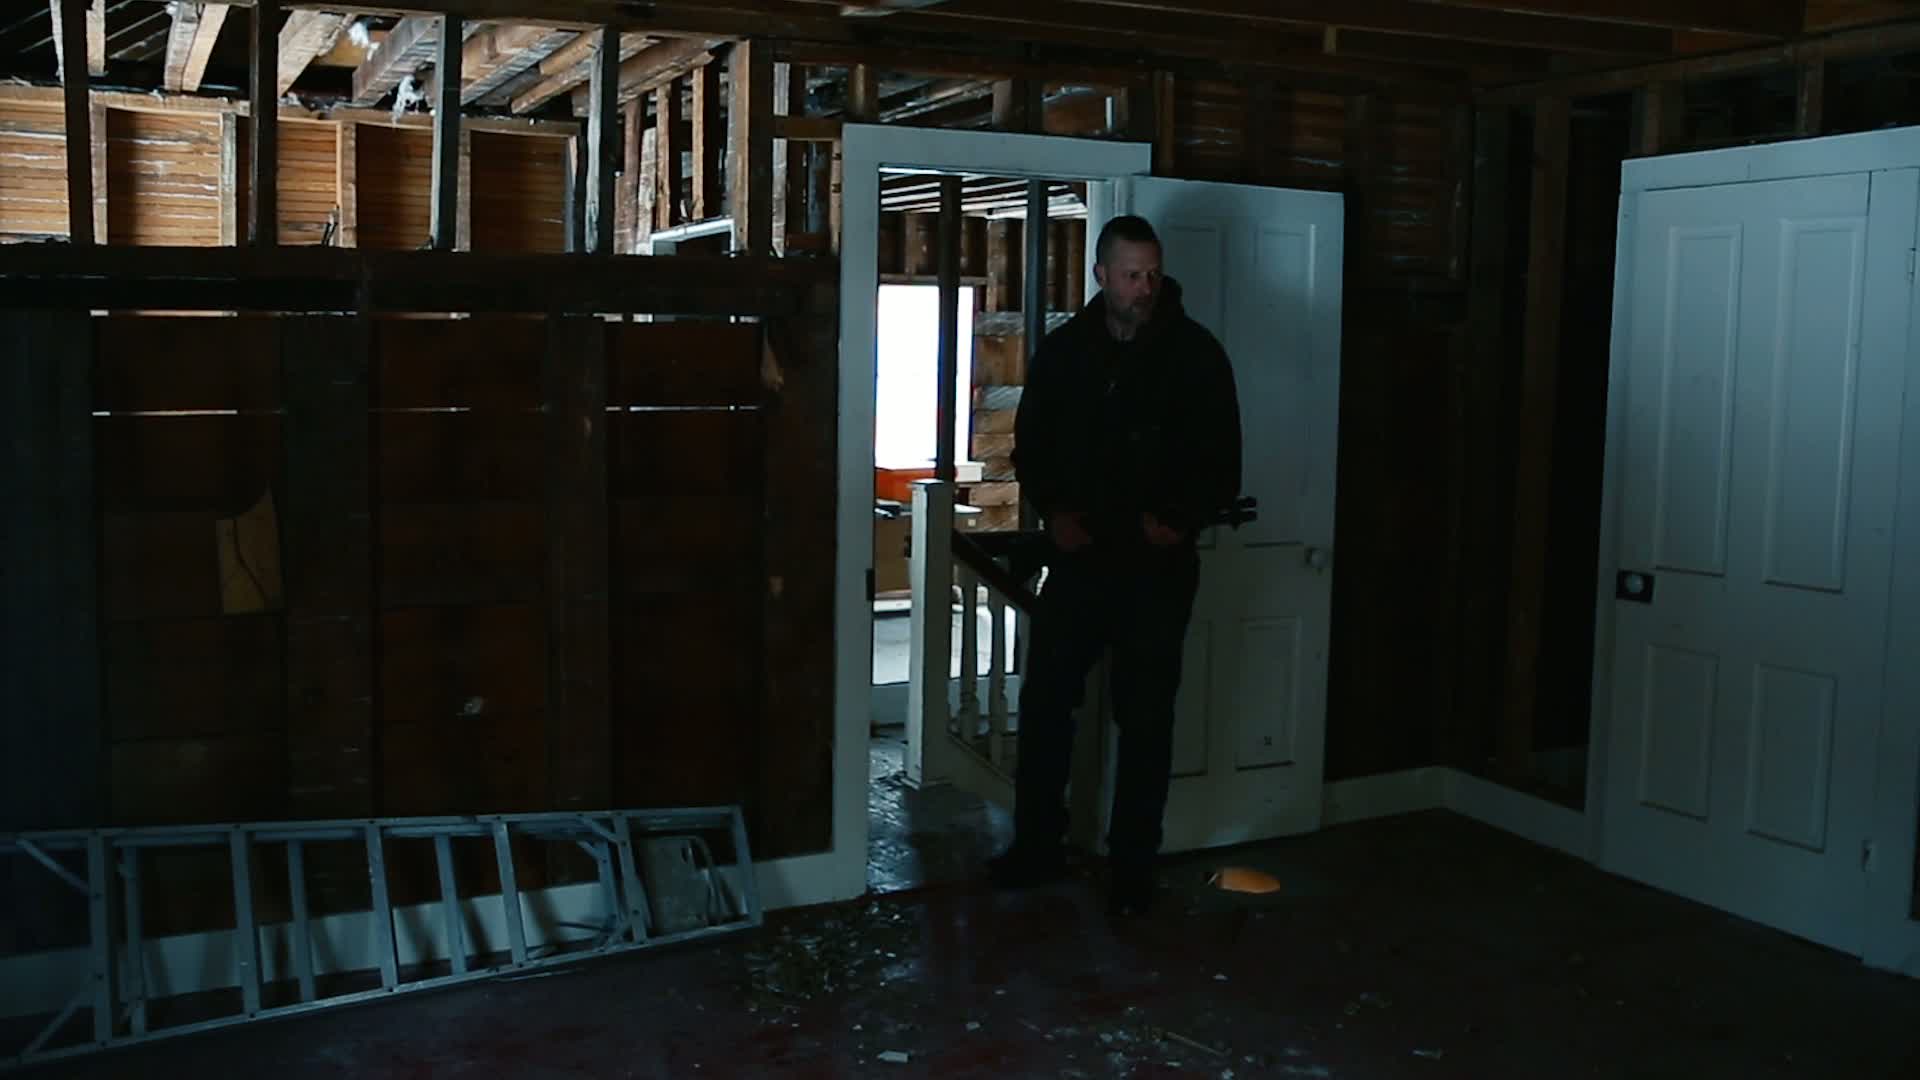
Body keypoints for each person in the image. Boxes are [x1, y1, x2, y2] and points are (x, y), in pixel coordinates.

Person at [989, 214, 1243, 916]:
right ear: (1101, 275)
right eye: (1131, 275)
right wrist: (1055, 513)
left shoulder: (1195, 356)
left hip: (1157, 568)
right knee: (1046, 705)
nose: (1144, 287)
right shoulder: (1066, 353)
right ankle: (1037, 846)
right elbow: (1034, 445)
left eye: (1152, 274)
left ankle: (1134, 867)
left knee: (1147, 718)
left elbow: (1221, 460)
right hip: (1081, 561)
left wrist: (1180, 519)